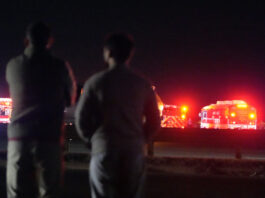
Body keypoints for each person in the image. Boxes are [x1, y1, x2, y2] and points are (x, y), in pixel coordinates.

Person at [75, 33, 161, 198]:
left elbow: (81, 118)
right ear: (130, 54)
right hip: (133, 150)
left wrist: (92, 140)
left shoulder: (95, 82)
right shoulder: (142, 84)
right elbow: (155, 121)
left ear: (107, 53)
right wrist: (141, 140)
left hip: (104, 148)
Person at [6, 21, 76, 198]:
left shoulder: (13, 66)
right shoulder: (60, 67)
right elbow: (70, 98)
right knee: (50, 191)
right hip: (49, 138)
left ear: (26, 40)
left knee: (17, 192)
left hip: (18, 138)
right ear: (49, 41)